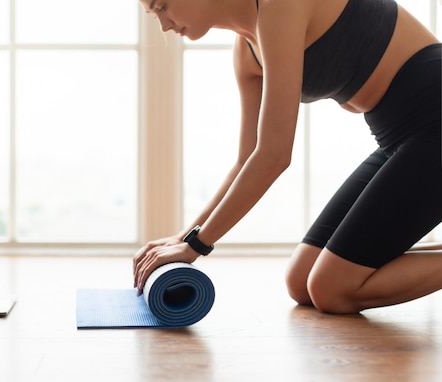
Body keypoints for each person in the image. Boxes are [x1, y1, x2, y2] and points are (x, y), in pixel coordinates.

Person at [132, 0, 442, 314]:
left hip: (436, 122)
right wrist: (185, 237)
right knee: (301, 280)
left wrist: (196, 247)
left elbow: (274, 155)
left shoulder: (280, 5)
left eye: (162, 6)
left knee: (332, 289)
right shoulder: (246, 54)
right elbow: (247, 160)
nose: (164, 25)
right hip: (400, 137)